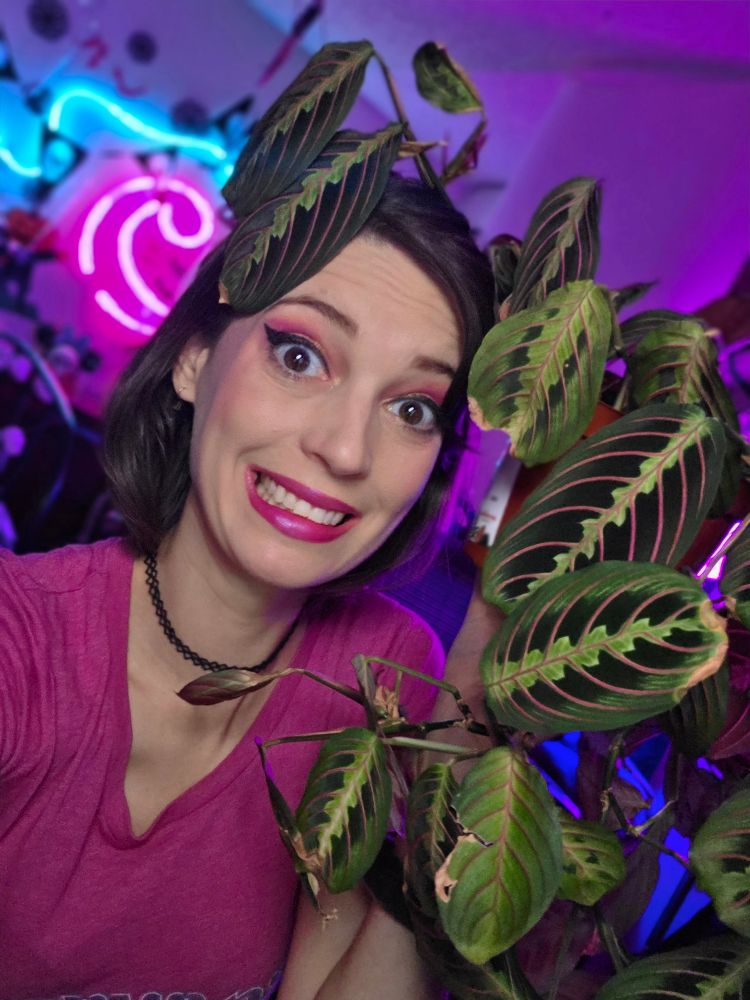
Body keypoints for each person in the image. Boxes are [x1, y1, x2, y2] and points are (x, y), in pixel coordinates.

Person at [0, 174, 495, 1000]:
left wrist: (470, 713)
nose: (346, 450)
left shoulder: (386, 672)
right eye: (300, 356)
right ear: (195, 358)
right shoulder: (21, 640)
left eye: (412, 408)